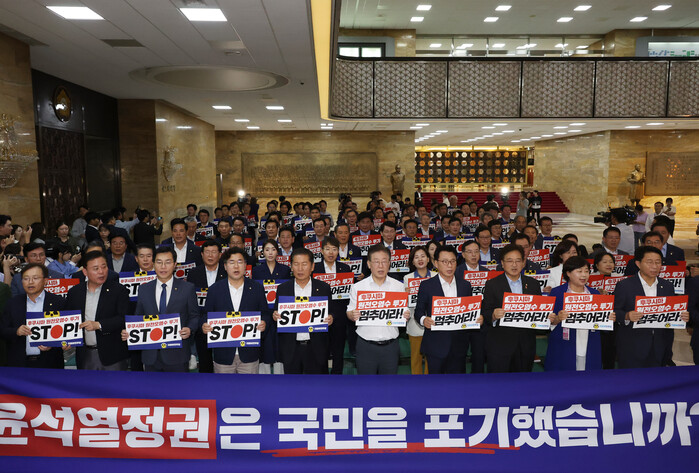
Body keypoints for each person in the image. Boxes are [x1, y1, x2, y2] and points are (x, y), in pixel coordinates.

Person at [121, 247, 199, 372]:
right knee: (151, 386)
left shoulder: (187, 288)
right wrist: (130, 331)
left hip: (177, 355)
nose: (163, 267)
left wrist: (190, 329)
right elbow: (138, 317)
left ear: (175, 264)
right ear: (153, 264)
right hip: (150, 356)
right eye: (159, 262)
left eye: (167, 262)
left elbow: (194, 316)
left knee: (178, 385)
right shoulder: (144, 289)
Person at [614, 246, 689, 369]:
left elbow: (672, 313)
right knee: (632, 379)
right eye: (649, 262)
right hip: (632, 346)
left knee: (657, 379)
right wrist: (627, 316)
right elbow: (614, 312)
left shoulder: (667, 286)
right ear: (638, 264)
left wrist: (682, 316)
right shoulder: (624, 285)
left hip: (659, 345)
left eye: (658, 262)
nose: (654, 266)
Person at [482, 244, 553, 373]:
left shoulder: (533, 284)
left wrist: (546, 318)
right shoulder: (492, 284)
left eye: (518, 260)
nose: (514, 265)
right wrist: (493, 315)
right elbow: (485, 312)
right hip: (500, 345)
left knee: (523, 381)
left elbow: (538, 312)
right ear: (502, 263)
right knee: (499, 382)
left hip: (525, 345)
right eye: (509, 261)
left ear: (523, 263)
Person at [201, 247, 269, 374]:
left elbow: (265, 314)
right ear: (225, 266)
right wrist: (204, 325)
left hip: (249, 354)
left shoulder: (257, 288)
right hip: (223, 354)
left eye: (240, 262)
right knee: (223, 387)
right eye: (231, 262)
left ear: (245, 265)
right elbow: (206, 315)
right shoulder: (214, 290)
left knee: (249, 387)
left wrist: (264, 323)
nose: (236, 266)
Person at [416, 245, 482, 374]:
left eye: (452, 261)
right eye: (445, 262)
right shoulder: (426, 285)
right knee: (436, 383)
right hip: (436, 345)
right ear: (436, 263)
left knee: (457, 383)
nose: (449, 265)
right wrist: (424, 320)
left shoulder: (465, 285)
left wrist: (478, 318)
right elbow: (419, 311)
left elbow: (470, 310)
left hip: (459, 345)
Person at [347, 244, 410, 375]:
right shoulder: (358, 287)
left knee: (389, 384)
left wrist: (406, 314)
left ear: (389, 263)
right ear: (369, 264)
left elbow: (404, 310)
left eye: (384, 261)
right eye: (376, 262)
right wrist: (352, 315)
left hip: (391, 346)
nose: (380, 266)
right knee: (366, 384)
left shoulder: (398, 286)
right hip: (365, 345)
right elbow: (349, 311)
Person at [546, 256, 613, 371]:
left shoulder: (595, 294)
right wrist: (558, 318)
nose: (584, 275)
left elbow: (603, 325)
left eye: (586, 271)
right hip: (564, 345)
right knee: (564, 377)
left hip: (590, 343)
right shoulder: (557, 293)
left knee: (588, 377)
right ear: (568, 273)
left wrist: (609, 318)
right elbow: (548, 322)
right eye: (579, 271)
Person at [65, 251, 130, 370]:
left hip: (112, 355)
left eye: (104, 267)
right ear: (85, 272)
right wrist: (67, 340)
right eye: (96, 268)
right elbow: (69, 321)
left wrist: (99, 325)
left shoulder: (119, 290)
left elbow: (124, 318)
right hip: (85, 354)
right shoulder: (74, 292)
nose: (101, 271)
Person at [273, 248, 333, 374]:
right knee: (293, 385)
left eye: (304, 264)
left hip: (316, 348)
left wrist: (331, 318)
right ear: (291, 266)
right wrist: (275, 316)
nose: (300, 269)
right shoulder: (283, 289)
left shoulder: (323, 288)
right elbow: (276, 312)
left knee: (317, 384)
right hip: (291, 348)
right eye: (296, 264)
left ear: (312, 266)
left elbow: (332, 312)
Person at [1, 263, 65, 368]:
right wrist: (16, 331)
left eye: (35, 278)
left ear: (45, 281)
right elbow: (2, 330)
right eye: (26, 278)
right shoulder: (13, 303)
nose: (30, 282)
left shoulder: (59, 302)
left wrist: (53, 344)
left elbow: (66, 333)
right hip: (19, 364)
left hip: (50, 364)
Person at [314, 237, 353, 375]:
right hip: (320, 315)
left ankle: (337, 376)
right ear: (321, 251)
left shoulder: (345, 268)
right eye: (327, 249)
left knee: (338, 349)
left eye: (334, 249)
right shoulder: (315, 268)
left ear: (338, 251)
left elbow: (349, 294)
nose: (331, 252)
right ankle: (323, 376)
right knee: (321, 349)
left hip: (340, 315)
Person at [185, 240, 226, 373]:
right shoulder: (193, 273)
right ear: (202, 254)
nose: (210, 255)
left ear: (220, 254)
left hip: (223, 322)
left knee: (223, 362)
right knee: (204, 361)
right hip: (201, 321)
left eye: (214, 252)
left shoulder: (227, 272)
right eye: (207, 252)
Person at [404, 246, 435, 375]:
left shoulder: (436, 275)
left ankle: (430, 382)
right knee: (416, 358)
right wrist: (405, 295)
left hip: (433, 323)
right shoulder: (407, 278)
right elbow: (404, 305)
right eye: (416, 257)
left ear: (428, 259)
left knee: (431, 358)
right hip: (414, 323)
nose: (420, 259)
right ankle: (415, 382)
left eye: (423, 256)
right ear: (412, 261)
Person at [592, 252, 617, 369]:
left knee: (610, 351)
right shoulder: (590, 279)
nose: (609, 264)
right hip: (597, 320)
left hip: (614, 319)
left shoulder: (619, 279)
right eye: (605, 262)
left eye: (611, 262)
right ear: (597, 265)